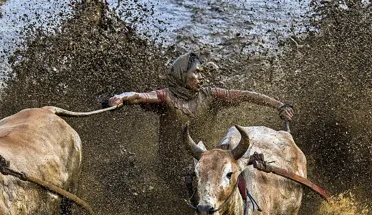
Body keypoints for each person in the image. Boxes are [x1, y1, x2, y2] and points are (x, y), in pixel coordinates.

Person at [109, 52, 294, 192]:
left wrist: (279, 105)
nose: (201, 77)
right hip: (171, 170)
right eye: (196, 72)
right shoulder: (165, 97)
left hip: (206, 167)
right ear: (182, 74)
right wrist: (120, 97)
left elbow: (246, 96)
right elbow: (137, 96)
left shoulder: (210, 95)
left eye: (202, 73)